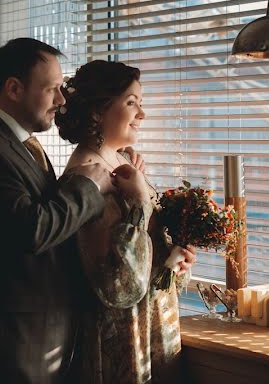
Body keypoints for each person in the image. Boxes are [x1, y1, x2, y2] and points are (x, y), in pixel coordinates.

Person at [0, 38, 114, 384]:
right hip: (6, 344)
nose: (61, 100)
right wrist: (89, 187)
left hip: (34, 339)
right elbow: (32, 230)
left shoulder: (20, 146)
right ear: (13, 88)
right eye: (52, 88)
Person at [55, 59, 195, 384]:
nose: (141, 115)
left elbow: (143, 260)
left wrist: (170, 259)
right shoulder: (84, 179)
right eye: (131, 103)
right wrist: (141, 203)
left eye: (140, 104)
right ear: (97, 112)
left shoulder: (124, 163)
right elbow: (118, 287)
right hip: (122, 339)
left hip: (153, 324)